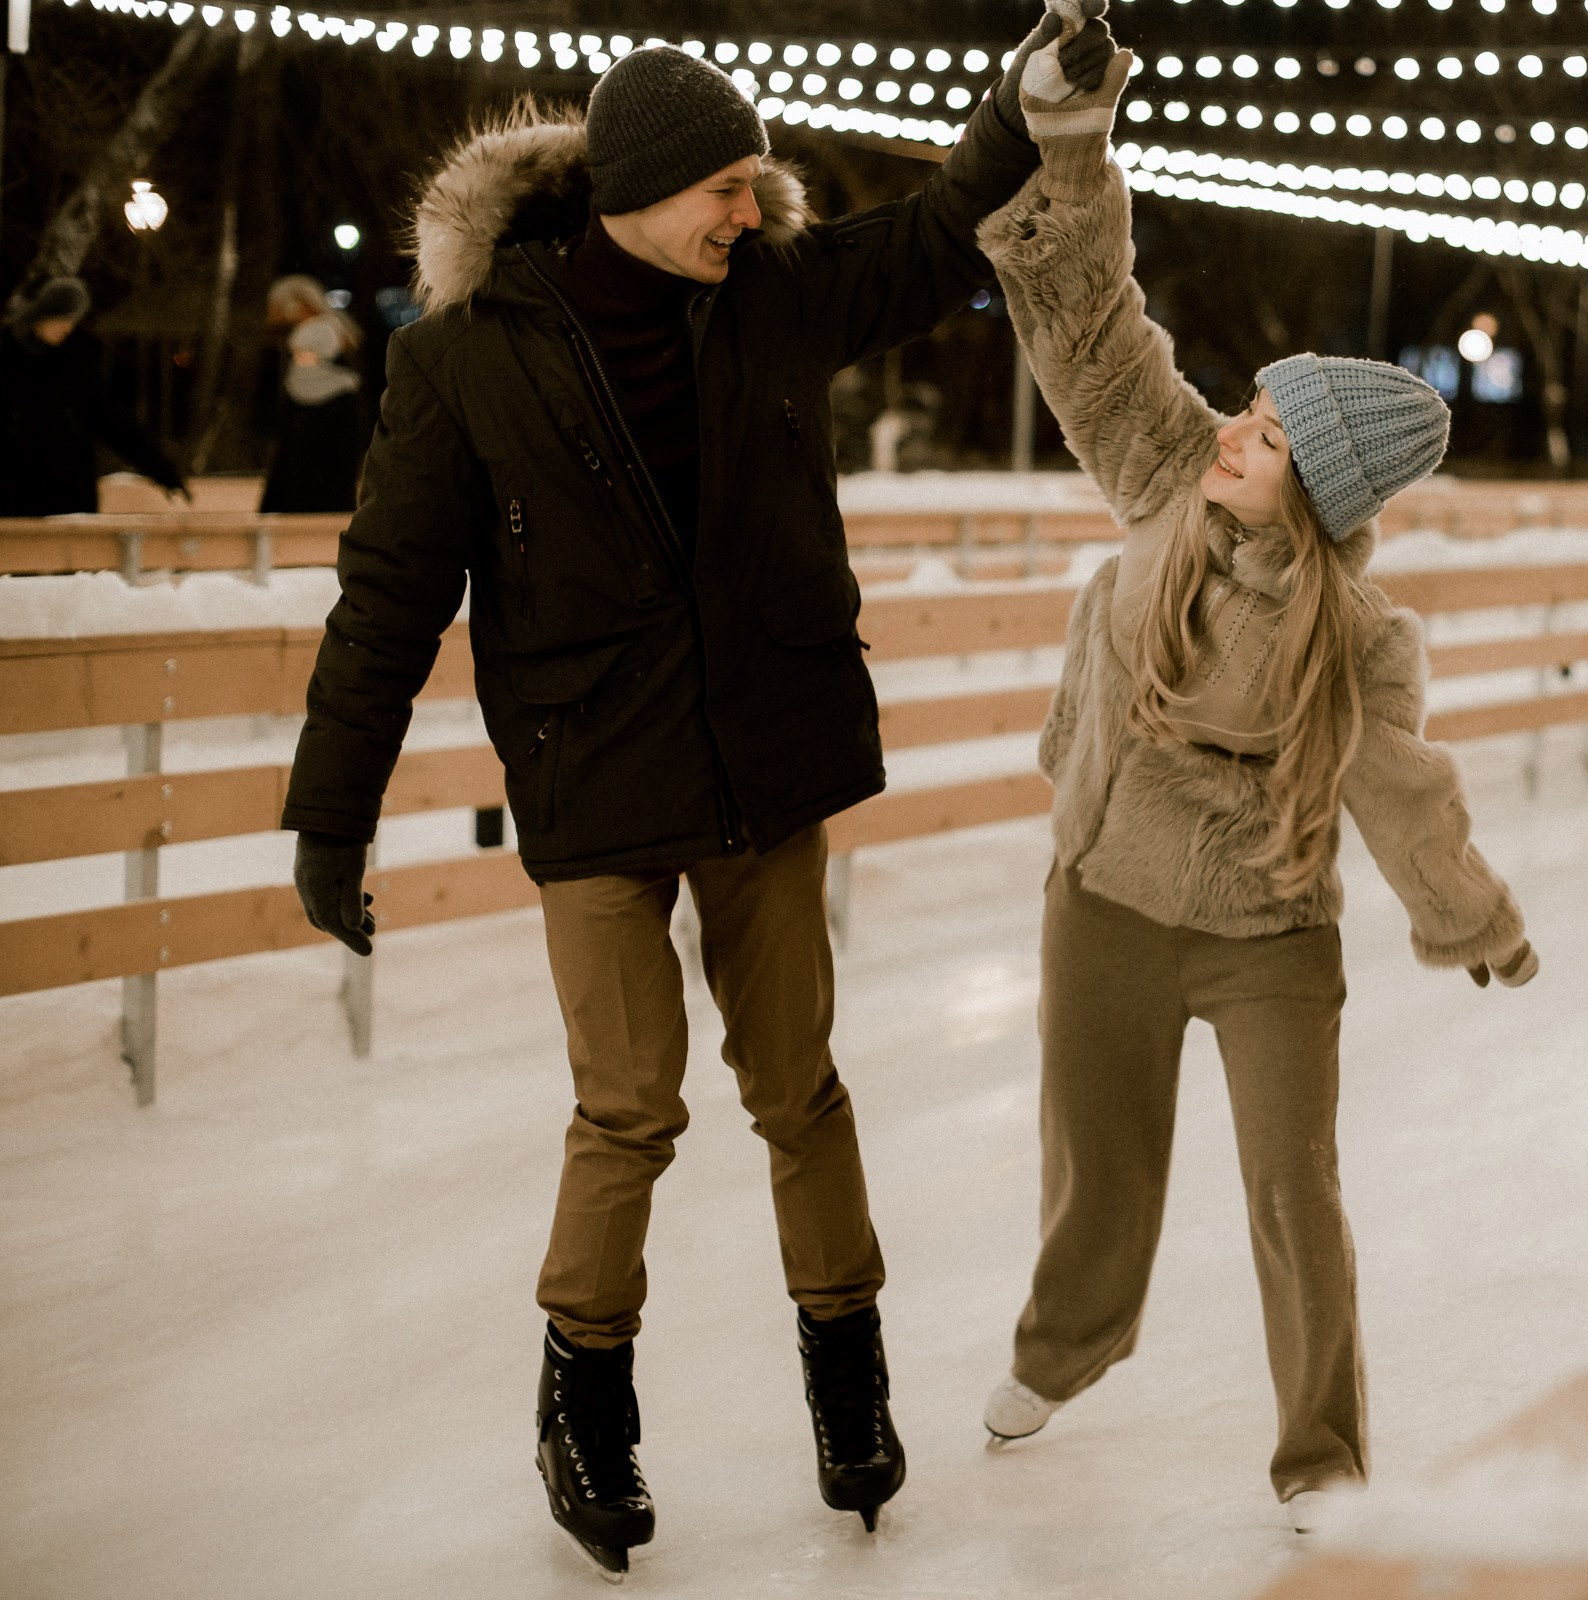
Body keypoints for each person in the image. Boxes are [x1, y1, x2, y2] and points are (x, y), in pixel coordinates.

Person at [276, 6, 1119, 1578]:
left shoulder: (776, 295)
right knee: (629, 1103)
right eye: (726, 185)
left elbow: (938, 230)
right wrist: (334, 813)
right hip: (595, 773)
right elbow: (387, 596)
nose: (752, 207)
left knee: (798, 1086)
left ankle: (849, 1383)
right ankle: (584, 1407)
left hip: (762, 760)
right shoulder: (463, 360)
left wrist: (1023, 108)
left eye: (753, 181)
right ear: (641, 190)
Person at [971, 30, 1538, 1534]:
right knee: (1099, 1173)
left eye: (1271, 437)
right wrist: (1072, 145)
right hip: (1107, 893)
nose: (1236, 432)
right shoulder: (1169, 477)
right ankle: (1064, 1349)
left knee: (1297, 1194)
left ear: (1320, 491)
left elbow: (1400, 787)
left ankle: (1321, 1454)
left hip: (1267, 929)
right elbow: (1098, 334)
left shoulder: (1357, 638)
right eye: (1251, 408)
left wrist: (1471, 917)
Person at [0, 276, 187, 515]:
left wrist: (163, 470)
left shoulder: (74, 366)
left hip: (70, 503)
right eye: (62, 318)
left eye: (72, 320)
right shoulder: (8, 361)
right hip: (14, 502)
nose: (67, 327)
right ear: (43, 314)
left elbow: (116, 425)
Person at [258, 274, 370, 513]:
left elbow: (304, 382)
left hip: (313, 424)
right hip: (337, 419)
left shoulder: (312, 333)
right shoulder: (337, 331)